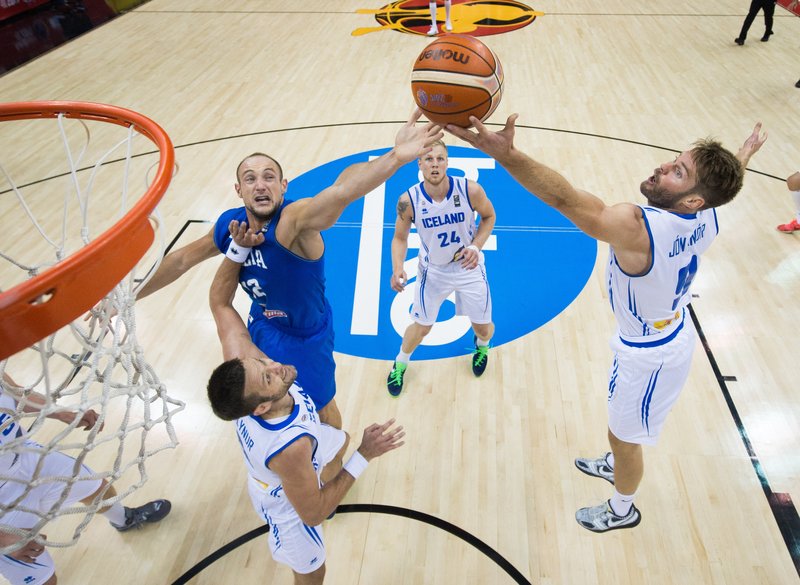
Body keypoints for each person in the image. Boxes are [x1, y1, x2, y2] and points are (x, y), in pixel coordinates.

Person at [446, 113, 767, 532]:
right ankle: (616, 462)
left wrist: (507, 156)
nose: (663, 167)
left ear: (692, 201)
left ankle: (622, 508)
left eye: (678, 172)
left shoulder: (639, 228)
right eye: (675, 160)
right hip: (654, 334)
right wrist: (743, 153)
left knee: (624, 438)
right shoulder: (708, 212)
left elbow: (566, 200)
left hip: (651, 355)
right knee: (619, 431)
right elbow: (725, 182)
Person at [136, 108, 443, 431]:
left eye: (269, 177)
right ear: (239, 190)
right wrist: (131, 294)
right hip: (263, 322)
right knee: (263, 404)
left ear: (283, 186)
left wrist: (395, 156)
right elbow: (181, 260)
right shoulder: (231, 224)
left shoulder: (293, 222)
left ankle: (332, 450)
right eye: (250, 178)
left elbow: (342, 191)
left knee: (323, 410)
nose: (260, 185)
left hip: (305, 338)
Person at [206, 225, 405, 585]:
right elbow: (313, 514)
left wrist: (237, 248)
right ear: (261, 408)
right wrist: (365, 454)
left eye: (262, 363)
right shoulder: (292, 448)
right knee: (314, 573)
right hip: (288, 506)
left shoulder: (246, 377)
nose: (275, 366)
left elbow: (219, 302)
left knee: (338, 439)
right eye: (268, 378)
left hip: (286, 457)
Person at [0, 374, 171, 585]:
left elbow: (15, 392)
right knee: (45, 581)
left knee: (99, 489)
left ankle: (124, 519)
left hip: (25, 457)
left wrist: (63, 413)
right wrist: (3, 539)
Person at [386, 140, 496, 396]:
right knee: (422, 327)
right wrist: (397, 267)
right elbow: (400, 238)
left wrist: (476, 246)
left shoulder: (470, 190)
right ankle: (400, 363)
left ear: (447, 162)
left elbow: (489, 216)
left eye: (439, 159)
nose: (434, 164)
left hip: (468, 266)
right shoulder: (408, 200)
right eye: (429, 159)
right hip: (434, 272)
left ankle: (482, 346)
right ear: (419, 163)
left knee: (484, 327)